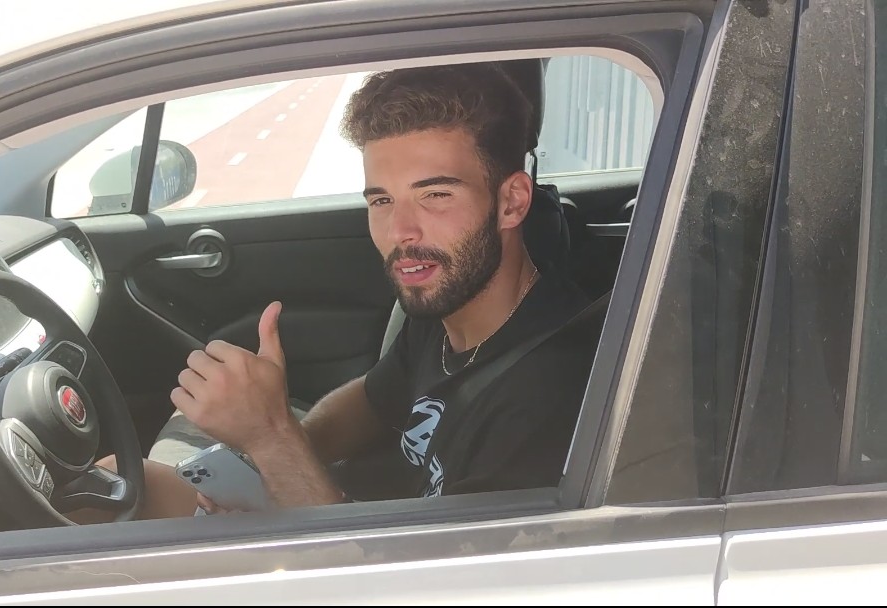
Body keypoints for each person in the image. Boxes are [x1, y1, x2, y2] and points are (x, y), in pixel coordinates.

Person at [92, 62, 600, 519]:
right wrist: (274, 457)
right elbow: (375, 400)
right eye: (381, 200)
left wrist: (271, 437)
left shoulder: (549, 394)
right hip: (338, 510)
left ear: (512, 202)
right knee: (108, 484)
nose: (401, 232)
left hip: (362, 560)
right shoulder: (448, 308)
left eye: (436, 195)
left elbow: (396, 583)